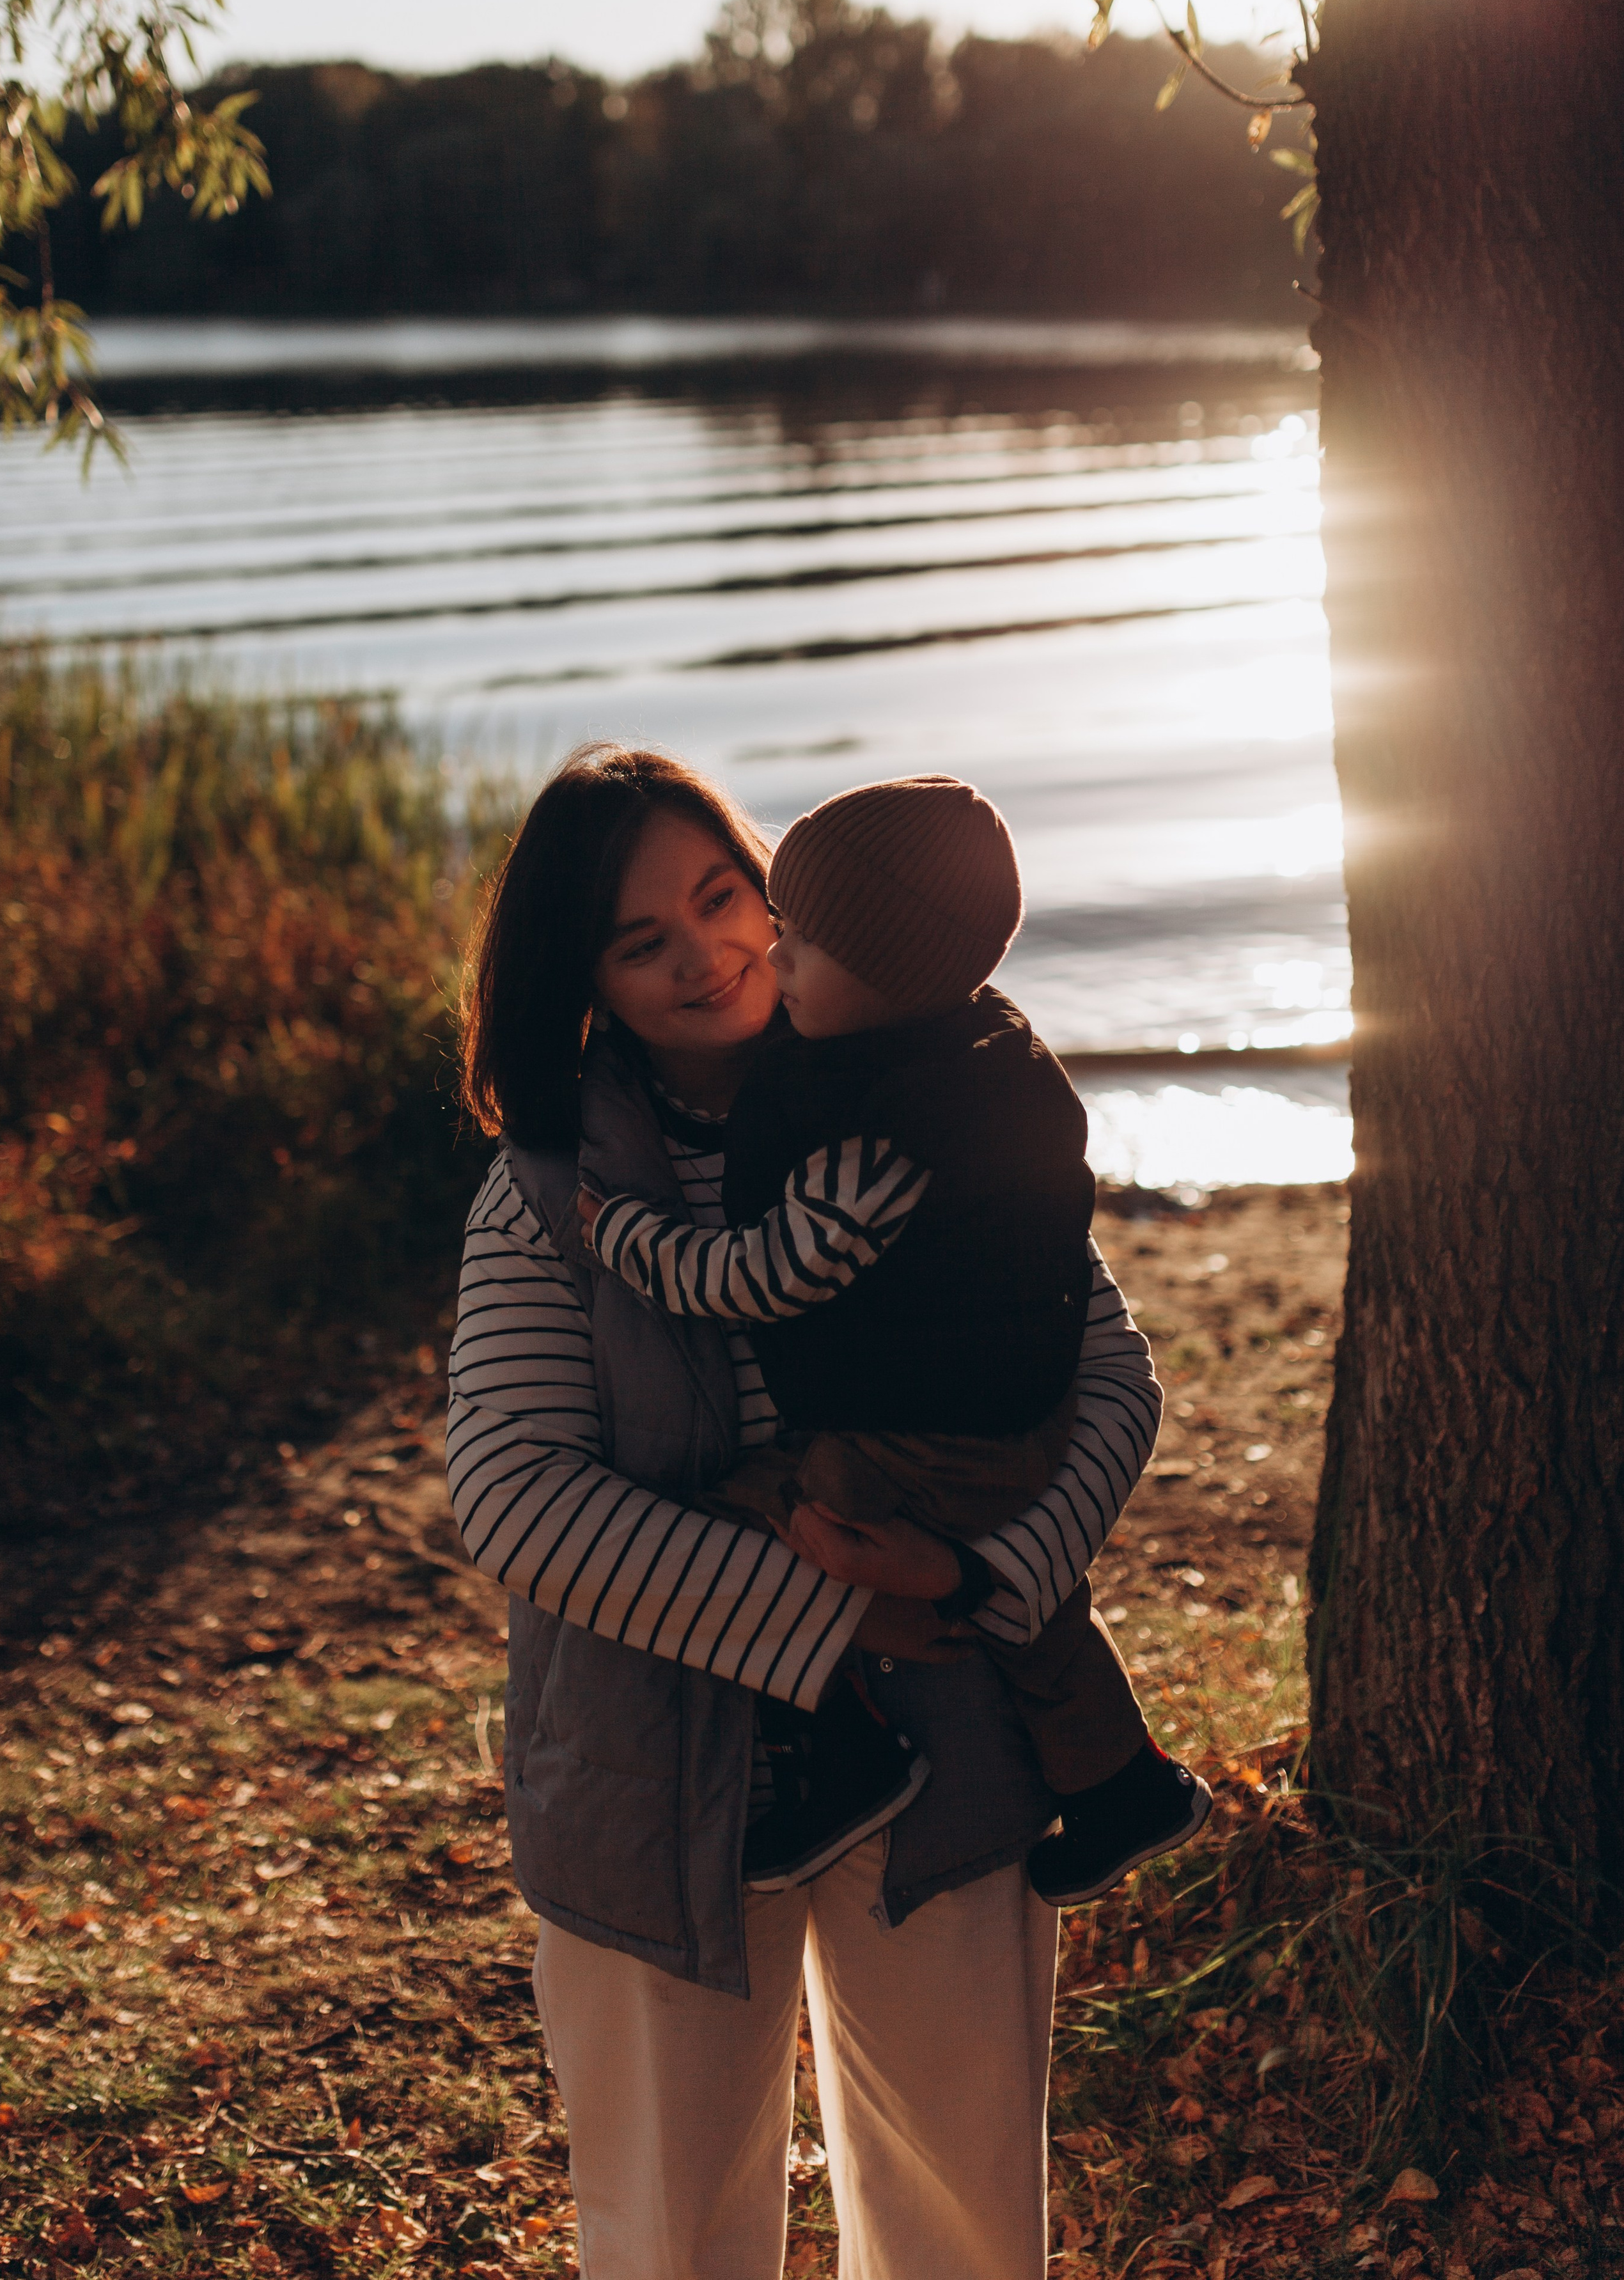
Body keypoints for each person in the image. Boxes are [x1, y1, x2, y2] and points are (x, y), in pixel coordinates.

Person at [448, 743, 1165, 2280]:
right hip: (658, 1760)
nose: (706, 955)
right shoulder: (554, 1192)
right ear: (582, 976)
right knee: (672, 2231)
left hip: (950, 1738)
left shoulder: (933, 1095)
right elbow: (511, 1498)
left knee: (964, 2224)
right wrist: (839, 1606)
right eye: (642, 939)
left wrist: (980, 1581)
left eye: (722, 897)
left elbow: (1104, 1380)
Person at [578, 773, 1210, 1905]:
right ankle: (1127, 1786)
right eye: (639, 944)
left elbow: (755, 1279)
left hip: (930, 1447)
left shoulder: (872, 1141)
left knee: (771, 1491)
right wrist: (989, 1573)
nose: (761, 960)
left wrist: (622, 1233)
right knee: (1043, 1627)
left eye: (789, 938)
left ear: (892, 981)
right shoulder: (978, 1061)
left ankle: (843, 1747)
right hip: (1009, 1420)